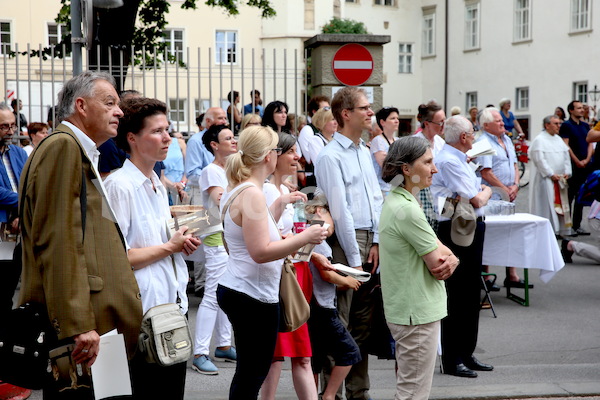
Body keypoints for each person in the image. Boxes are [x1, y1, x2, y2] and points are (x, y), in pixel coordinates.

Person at [18, 71, 143, 399]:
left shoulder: (77, 148)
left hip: (96, 323)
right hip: (86, 328)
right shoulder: (63, 147)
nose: (119, 111)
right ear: (81, 106)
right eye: (110, 103)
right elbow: (58, 241)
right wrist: (77, 325)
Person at [217, 125, 327, 400]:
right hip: (250, 294)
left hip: (245, 289)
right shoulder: (252, 192)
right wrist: (307, 237)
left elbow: (252, 237)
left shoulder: (242, 189)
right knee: (252, 374)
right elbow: (261, 251)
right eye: (279, 150)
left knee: (250, 372)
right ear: (268, 156)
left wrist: (277, 208)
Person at [104, 97, 200, 399]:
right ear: (132, 138)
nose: (168, 137)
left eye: (167, 129)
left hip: (171, 310)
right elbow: (117, 258)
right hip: (139, 319)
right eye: (157, 131)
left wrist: (179, 241)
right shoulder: (119, 186)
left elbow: (158, 245)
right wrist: (170, 246)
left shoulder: (157, 184)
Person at [315, 86, 383, 400]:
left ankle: (359, 388)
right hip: (347, 241)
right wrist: (354, 258)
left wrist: (379, 240)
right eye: (365, 108)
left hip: (369, 238)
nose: (371, 113)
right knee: (339, 320)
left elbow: (375, 198)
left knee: (363, 321)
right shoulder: (330, 155)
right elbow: (340, 212)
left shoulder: (364, 150)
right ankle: (333, 391)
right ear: (346, 114)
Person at [379, 136, 459, 399]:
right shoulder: (406, 208)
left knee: (410, 388)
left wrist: (451, 256)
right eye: (427, 162)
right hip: (416, 313)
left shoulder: (400, 200)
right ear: (406, 168)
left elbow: (442, 251)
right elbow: (439, 261)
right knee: (413, 393)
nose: (434, 169)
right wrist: (451, 257)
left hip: (411, 310)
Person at [430, 115, 493, 379]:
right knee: (455, 295)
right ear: (464, 137)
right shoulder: (448, 160)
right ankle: (452, 357)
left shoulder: (457, 158)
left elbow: (472, 195)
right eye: (473, 133)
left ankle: (466, 351)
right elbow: (477, 198)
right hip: (455, 229)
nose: (475, 137)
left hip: (468, 225)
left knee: (470, 291)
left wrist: (479, 191)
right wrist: (486, 189)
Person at [261, 132, 317, 400]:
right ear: (275, 155)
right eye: (292, 152)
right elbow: (265, 235)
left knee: (299, 354)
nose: (298, 157)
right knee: (277, 355)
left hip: (296, 270)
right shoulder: (266, 190)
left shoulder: (284, 190)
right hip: (281, 275)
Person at [304, 193, 362, 400]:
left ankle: (313, 394)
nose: (334, 226)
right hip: (323, 307)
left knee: (315, 357)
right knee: (349, 352)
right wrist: (348, 280)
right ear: (320, 211)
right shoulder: (318, 239)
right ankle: (328, 396)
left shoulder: (310, 236)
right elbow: (325, 273)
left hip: (315, 305)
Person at [191, 124, 237, 375]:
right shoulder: (211, 170)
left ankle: (223, 344)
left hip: (229, 235)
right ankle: (200, 352)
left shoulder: (231, 170)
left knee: (225, 292)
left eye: (233, 137)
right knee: (212, 295)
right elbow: (221, 199)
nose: (233, 141)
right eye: (227, 138)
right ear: (214, 145)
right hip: (215, 235)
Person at [478, 107, 528, 288]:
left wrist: (515, 185)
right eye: (498, 121)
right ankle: (485, 277)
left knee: (510, 233)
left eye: (501, 120)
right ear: (486, 125)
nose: (502, 123)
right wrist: (504, 189)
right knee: (489, 236)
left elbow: (514, 164)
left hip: (508, 194)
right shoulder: (483, 142)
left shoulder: (506, 139)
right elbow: (486, 172)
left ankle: (512, 275)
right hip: (492, 196)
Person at [0, 104, 28, 315]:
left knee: (9, 286)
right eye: (4, 127)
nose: (10, 132)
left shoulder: (18, 153)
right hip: (1, 229)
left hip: (17, 230)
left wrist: (20, 213)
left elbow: (32, 184)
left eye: (12, 126)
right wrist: (22, 200)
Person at [528, 115, 572, 235]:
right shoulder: (539, 140)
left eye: (559, 123)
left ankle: (560, 230)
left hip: (560, 180)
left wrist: (567, 172)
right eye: (556, 123)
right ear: (547, 125)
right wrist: (550, 173)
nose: (559, 126)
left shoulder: (558, 139)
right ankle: (547, 230)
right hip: (546, 180)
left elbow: (566, 157)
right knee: (546, 206)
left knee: (561, 205)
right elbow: (539, 160)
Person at [560, 100, 593, 236]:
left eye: (582, 108)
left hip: (585, 165)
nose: (581, 110)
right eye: (578, 108)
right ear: (571, 110)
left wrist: (587, 158)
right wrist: (577, 160)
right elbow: (565, 145)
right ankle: (567, 226)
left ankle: (577, 224)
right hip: (573, 166)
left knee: (581, 196)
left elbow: (590, 142)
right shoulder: (567, 126)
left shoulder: (585, 126)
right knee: (569, 197)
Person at [414, 101, 446, 230]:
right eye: (440, 123)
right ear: (427, 124)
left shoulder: (440, 141)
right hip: (424, 197)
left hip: (441, 199)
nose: (444, 126)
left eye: (445, 121)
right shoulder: (416, 143)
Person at [370, 107, 400, 196]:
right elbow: (386, 166)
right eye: (392, 118)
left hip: (395, 187)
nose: (396, 121)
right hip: (381, 189)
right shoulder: (378, 140)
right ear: (382, 122)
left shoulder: (397, 140)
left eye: (397, 118)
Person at [303, 107, 337, 172]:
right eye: (332, 119)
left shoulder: (336, 139)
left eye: (336, 119)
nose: (336, 122)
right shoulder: (316, 140)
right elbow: (320, 165)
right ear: (322, 122)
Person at [162, 129, 187, 204]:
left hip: (183, 186)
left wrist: (182, 183)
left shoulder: (180, 142)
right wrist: (173, 186)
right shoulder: (155, 145)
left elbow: (188, 165)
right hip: (166, 187)